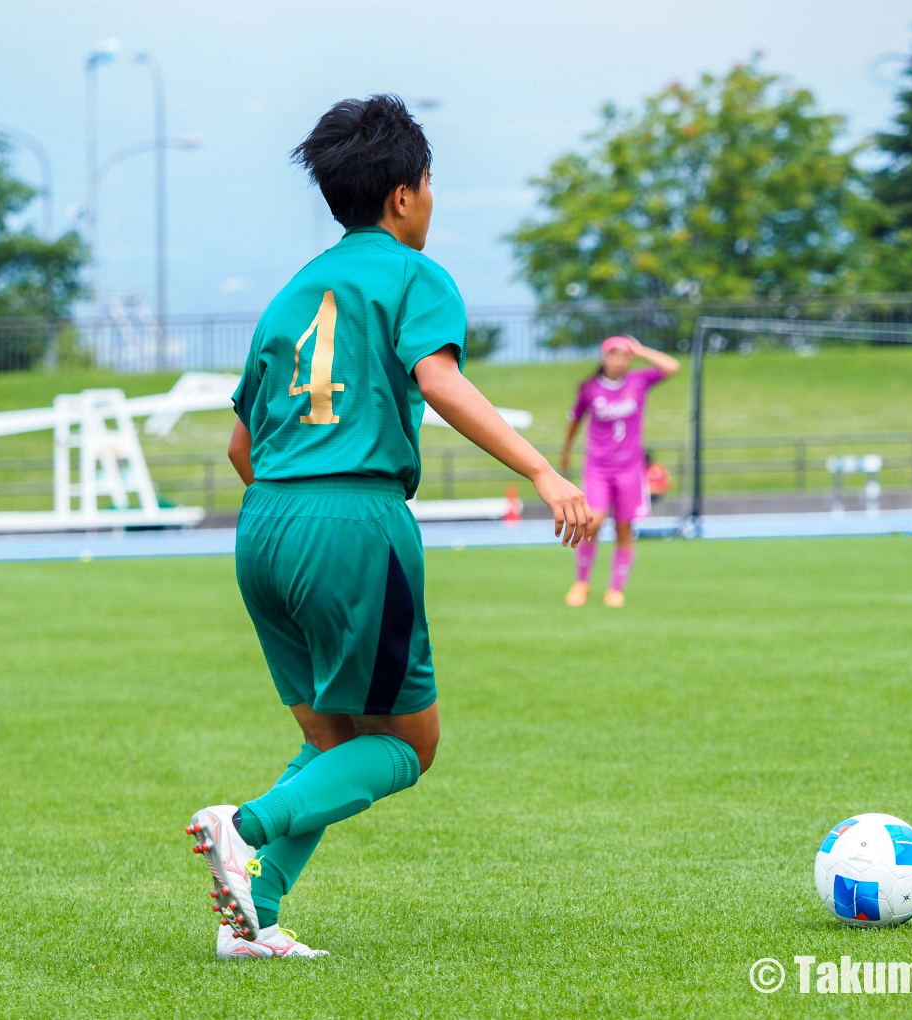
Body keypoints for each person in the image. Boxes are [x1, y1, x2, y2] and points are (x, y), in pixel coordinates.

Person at [186, 95, 593, 960]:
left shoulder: (290, 294)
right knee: (410, 745)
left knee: (332, 737)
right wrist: (544, 470)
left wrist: (293, 509)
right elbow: (438, 381)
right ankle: (245, 826)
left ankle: (254, 914)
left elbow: (238, 443)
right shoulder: (414, 276)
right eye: (432, 182)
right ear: (404, 195)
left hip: (262, 525)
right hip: (354, 523)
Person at [561, 335, 679, 608]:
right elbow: (575, 421)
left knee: (624, 527)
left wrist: (640, 350)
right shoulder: (590, 388)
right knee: (593, 521)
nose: (618, 361)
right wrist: (566, 451)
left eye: (624, 356)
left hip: (629, 468)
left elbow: (671, 366)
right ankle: (582, 582)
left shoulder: (639, 381)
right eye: (613, 355)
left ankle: (616, 589)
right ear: (604, 357)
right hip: (598, 467)